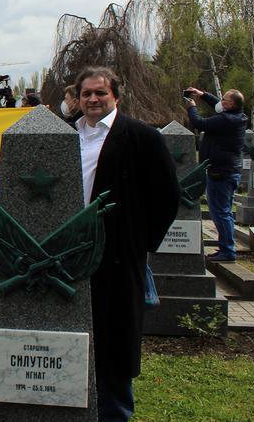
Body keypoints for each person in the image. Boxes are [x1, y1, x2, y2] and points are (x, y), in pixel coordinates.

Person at [74, 67, 179, 421]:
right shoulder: (67, 135)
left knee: (114, 345)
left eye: (100, 93)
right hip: (71, 254)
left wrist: (139, 243)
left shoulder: (141, 137)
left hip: (118, 257)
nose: (92, 100)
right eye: (86, 93)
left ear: (116, 96)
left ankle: (115, 414)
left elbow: (167, 196)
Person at [184, 87, 247, 262]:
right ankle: (226, 248)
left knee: (220, 213)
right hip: (225, 171)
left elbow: (200, 123)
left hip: (221, 173)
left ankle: (227, 251)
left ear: (231, 104)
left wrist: (191, 107)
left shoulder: (227, 120)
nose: (221, 101)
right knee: (223, 212)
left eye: (225, 99)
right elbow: (218, 104)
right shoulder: (237, 115)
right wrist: (203, 95)